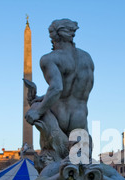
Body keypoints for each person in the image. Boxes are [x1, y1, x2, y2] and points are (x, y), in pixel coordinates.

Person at [24, 18, 95, 161]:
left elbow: (57, 88)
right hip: (80, 118)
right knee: (80, 168)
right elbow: (73, 90)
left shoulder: (49, 59)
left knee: (53, 165)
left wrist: (37, 110)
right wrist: (45, 97)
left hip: (59, 116)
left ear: (53, 37)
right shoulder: (87, 58)